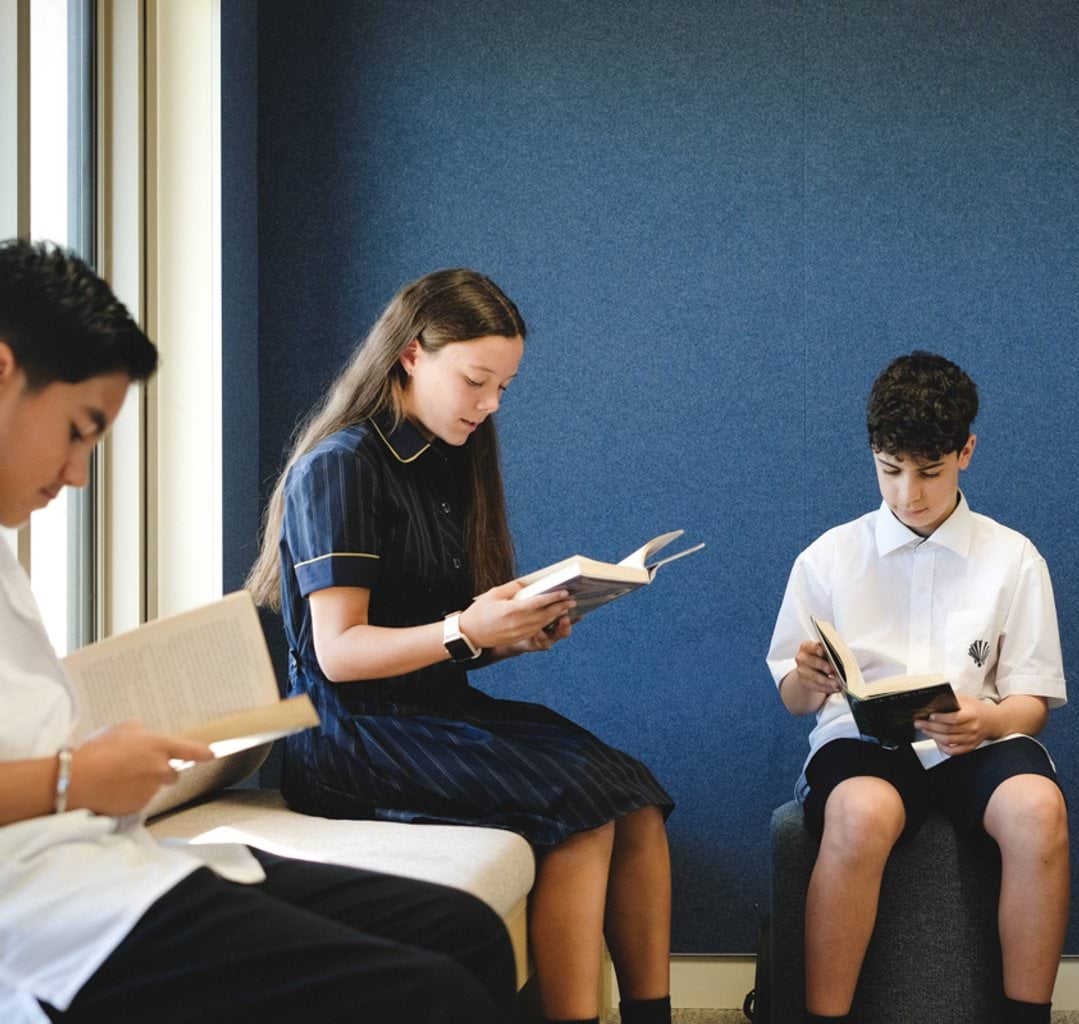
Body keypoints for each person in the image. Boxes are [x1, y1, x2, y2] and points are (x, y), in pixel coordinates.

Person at [0, 238, 519, 1023]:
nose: (78, 474)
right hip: (45, 912)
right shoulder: (342, 465)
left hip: (106, 855)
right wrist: (70, 779)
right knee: (432, 992)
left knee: (465, 930)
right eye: (78, 429)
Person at [245, 268, 675, 1024]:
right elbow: (340, 654)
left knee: (632, 792)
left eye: (504, 388)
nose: (490, 405)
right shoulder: (341, 467)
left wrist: (511, 633)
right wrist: (466, 630)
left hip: (430, 711)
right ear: (411, 354)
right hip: (351, 738)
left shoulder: (446, 459)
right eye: (477, 381)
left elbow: (441, 633)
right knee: (582, 804)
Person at [766, 351, 1070, 1024]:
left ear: (967, 451)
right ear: (873, 455)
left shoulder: (1013, 558)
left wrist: (984, 723)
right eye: (890, 470)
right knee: (860, 814)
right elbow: (792, 699)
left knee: (1038, 811)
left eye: (929, 471)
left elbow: (1033, 702)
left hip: (976, 740)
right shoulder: (829, 557)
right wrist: (809, 678)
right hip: (865, 740)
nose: (909, 492)